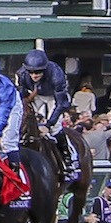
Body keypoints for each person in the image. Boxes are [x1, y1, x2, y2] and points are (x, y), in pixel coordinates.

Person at [15, 49, 77, 180]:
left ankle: (67, 160)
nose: (34, 75)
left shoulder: (56, 75)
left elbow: (61, 105)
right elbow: (21, 95)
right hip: (36, 94)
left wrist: (48, 125)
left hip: (54, 97)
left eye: (37, 72)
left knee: (55, 128)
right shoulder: (22, 74)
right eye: (31, 72)